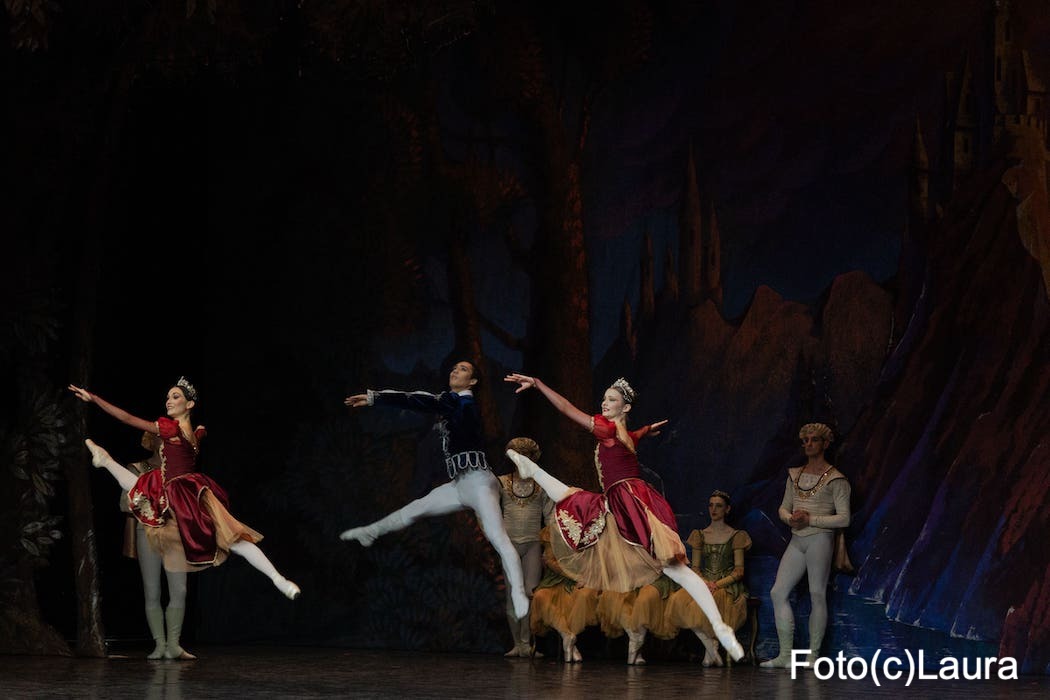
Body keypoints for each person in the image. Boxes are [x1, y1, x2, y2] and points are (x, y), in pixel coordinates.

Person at [502, 373, 744, 661]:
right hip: (635, 501)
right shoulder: (626, 435)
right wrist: (646, 430)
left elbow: (567, 408)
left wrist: (538, 384)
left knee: (571, 498)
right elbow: (633, 437)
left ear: (625, 407)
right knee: (677, 570)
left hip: (624, 502)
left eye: (612, 400)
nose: (604, 403)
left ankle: (532, 471)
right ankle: (720, 626)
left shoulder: (606, 429)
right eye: (604, 399)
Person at [69, 378, 301, 657]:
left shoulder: (176, 428)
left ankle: (278, 579)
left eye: (175, 396)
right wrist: (94, 399)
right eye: (168, 396)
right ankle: (105, 460)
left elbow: (128, 418)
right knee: (140, 486)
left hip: (184, 492)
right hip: (180, 489)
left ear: (189, 404)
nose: (169, 400)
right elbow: (133, 421)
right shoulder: (186, 430)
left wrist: (94, 398)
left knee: (235, 537)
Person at [340, 361, 531, 619]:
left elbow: (418, 400)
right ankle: (370, 532)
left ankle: (518, 593)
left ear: (473, 382)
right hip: (460, 485)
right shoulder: (453, 403)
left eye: (463, 369)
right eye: (454, 368)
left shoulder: (461, 402)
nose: (455, 371)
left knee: (498, 539)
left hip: (479, 483)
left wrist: (376, 398)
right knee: (417, 507)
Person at [761, 423, 851, 668]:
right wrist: (790, 518)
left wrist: (811, 519)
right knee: (778, 592)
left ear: (825, 443)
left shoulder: (836, 479)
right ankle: (785, 655)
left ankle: (813, 655)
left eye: (814, 440)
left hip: (820, 538)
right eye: (805, 440)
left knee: (817, 594)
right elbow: (783, 507)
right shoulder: (795, 475)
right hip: (798, 538)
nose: (808, 444)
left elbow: (844, 518)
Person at [118, 431, 194, 659]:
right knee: (152, 591)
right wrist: (148, 498)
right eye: (163, 439)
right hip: (147, 532)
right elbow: (124, 503)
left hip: (174, 534)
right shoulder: (138, 468)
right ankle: (160, 644)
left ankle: (174, 645)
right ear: (152, 442)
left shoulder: (179, 470)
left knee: (179, 590)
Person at [665, 490, 752, 667]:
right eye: (711, 505)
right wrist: (706, 583)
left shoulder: (736, 536)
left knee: (711, 602)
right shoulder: (700, 535)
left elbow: (739, 571)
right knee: (679, 601)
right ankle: (711, 648)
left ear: (727, 509)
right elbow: (695, 568)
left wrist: (717, 584)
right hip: (705, 582)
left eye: (719, 506)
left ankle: (711, 649)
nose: (714, 509)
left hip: (726, 585)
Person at [499, 437, 553, 657]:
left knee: (530, 592)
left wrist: (550, 546)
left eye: (526, 456)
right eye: (517, 456)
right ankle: (517, 644)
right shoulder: (502, 482)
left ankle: (527, 643)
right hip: (509, 545)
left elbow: (549, 517)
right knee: (513, 593)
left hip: (532, 544)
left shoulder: (541, 486)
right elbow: (489, 511)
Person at [529, 526, 599, 663]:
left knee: (583, 596)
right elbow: (550, 561)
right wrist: (575, 576)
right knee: (540, 596)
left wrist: (585, 577)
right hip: (554, 582)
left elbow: (592, 558)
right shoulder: (551, 531)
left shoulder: (586, 529)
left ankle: (571, 644)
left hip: (579, 582)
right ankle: (566, 635)